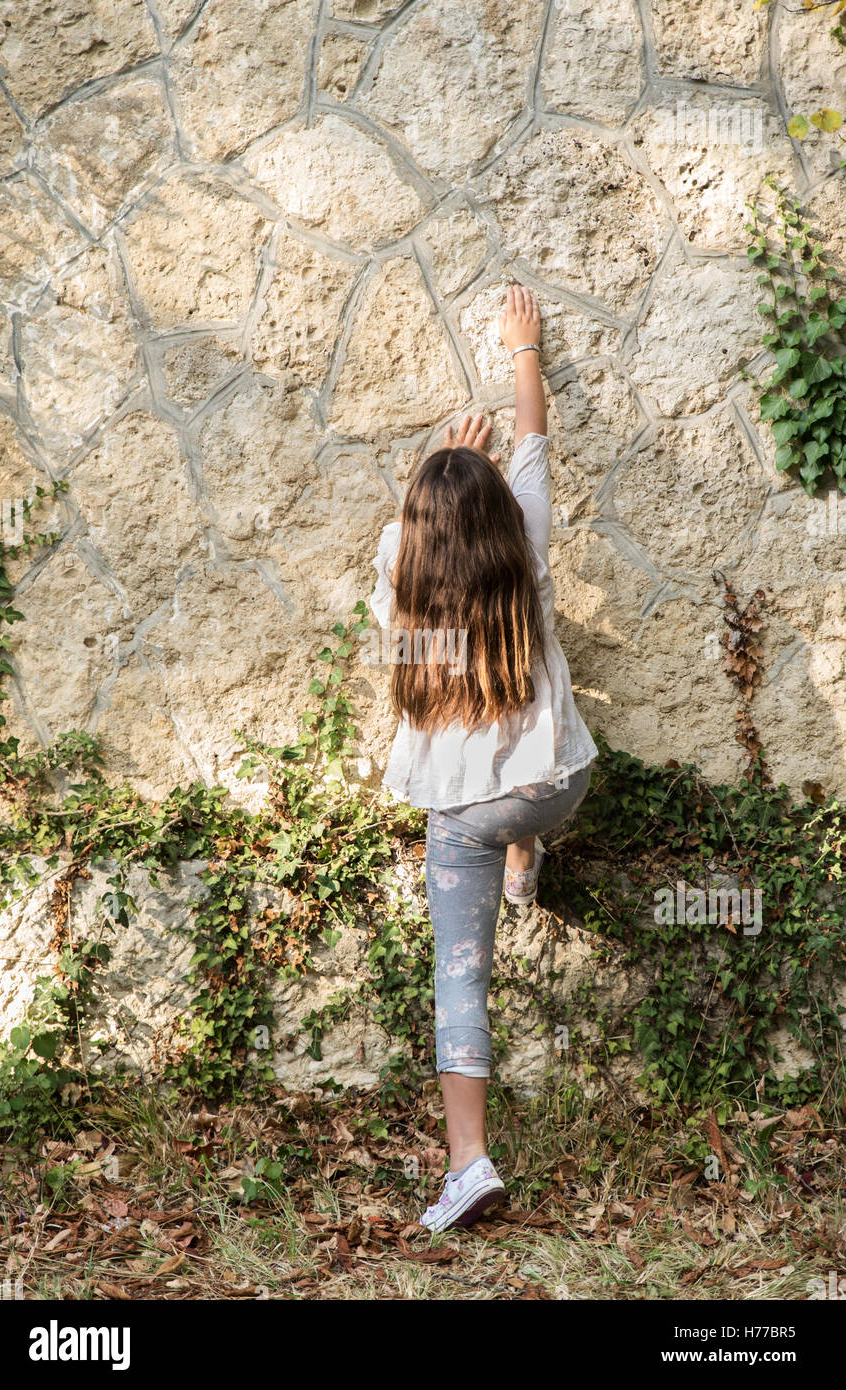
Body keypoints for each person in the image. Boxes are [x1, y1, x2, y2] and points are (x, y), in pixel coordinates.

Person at [367, 284, 599, 1233]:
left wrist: (436, 468)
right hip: (558, 785)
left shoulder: (400, 572)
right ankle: (526, 860)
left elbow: (417, 536)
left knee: (459, 971)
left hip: (470, 808)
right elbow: (537, 449)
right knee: (526, 794)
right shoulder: (527, 548)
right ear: (504, 515)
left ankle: (469, 1164)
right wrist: (522, 354)